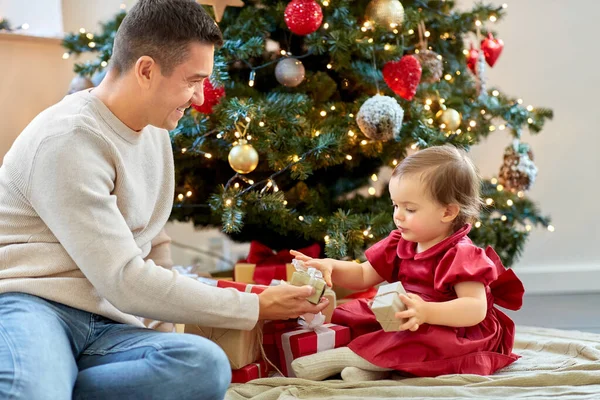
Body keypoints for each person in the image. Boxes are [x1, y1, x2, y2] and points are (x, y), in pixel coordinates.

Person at [0, 1, 327, 398]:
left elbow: (153, 245)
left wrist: (163, 332)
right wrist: (254, 305)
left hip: (106, 325)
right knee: (32, 389)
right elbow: (124, 279)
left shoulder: (154, 131)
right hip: (31, 306)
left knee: (202, 364)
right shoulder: (68, 139)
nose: (200, 97)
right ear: (146, 70)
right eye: (193, 80)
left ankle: (57, 382)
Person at [290, 145, 524, 382]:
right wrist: (331, 265)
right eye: (395, 205)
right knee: (353, 314)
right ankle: (372, 369)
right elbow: (363, 275)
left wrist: (427, 312)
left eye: (410, 209)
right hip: (409, 313)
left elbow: (474, 308)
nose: (398, 215)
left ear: (448, 212)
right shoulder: (401, 242)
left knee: (419, 337)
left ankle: (347, 358)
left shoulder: (461, 254)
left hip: (452, 326)